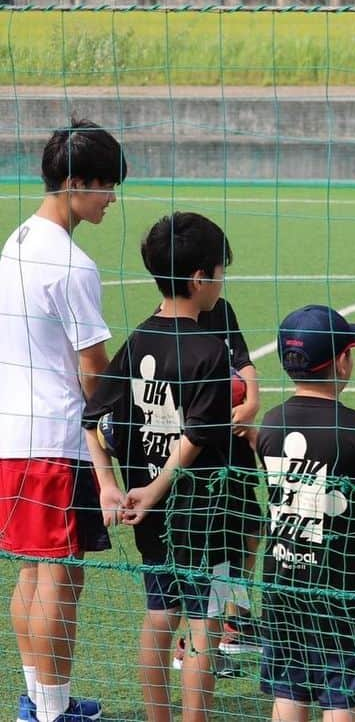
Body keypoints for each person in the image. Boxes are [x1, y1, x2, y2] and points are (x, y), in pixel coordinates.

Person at [84, 212, 237, 722]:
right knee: (203, 624)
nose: (220, 282)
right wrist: (157, 489)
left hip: (148, 512)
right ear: (200, 279)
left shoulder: (137, 341)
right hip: (201, 509)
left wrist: (112, 486)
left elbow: (91, 417)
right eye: (220, 272)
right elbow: (197, 434)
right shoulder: (210, 351)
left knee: (158, 614)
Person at [0, 118, 126, 722]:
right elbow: (94, 367)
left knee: (33, 568)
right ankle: (50, 713)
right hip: (55, 436)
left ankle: (41, 699)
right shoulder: (71, 264)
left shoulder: (17, 240)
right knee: (58, 574)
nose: (111, 199)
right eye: (105, 187)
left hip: (14, 433)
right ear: (76, 183)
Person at [258, 304, 355, 722]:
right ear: (342, 362)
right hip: (347, 588)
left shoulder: (271, 425)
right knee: (341, 696)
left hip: (284, 581)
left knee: (289, 690)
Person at [169, 296, 262, 672]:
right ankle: (194, 645)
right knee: (210, 550)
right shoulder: (169, 331)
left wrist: (251, 400)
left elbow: (242, 360)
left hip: (232, 445)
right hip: (200, 454)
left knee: (250, 529)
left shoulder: (221, 308)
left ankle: (235, 622)